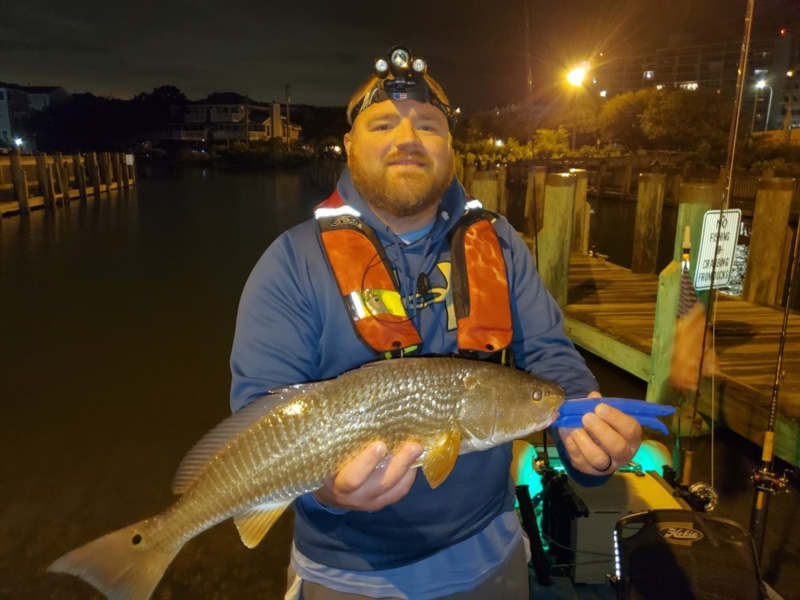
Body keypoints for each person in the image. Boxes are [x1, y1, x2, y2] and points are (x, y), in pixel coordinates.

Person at [230, 45, 643, 600]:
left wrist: (585, 436)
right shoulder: (289, 264)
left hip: (491, 550)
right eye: (383, 124)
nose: (408, 138)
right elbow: (261, 419)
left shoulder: (500, 242)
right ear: (349, 147)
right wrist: (327, 492)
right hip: (349, 573)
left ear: (451, 149)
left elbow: (549, 353)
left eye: (428, 125)